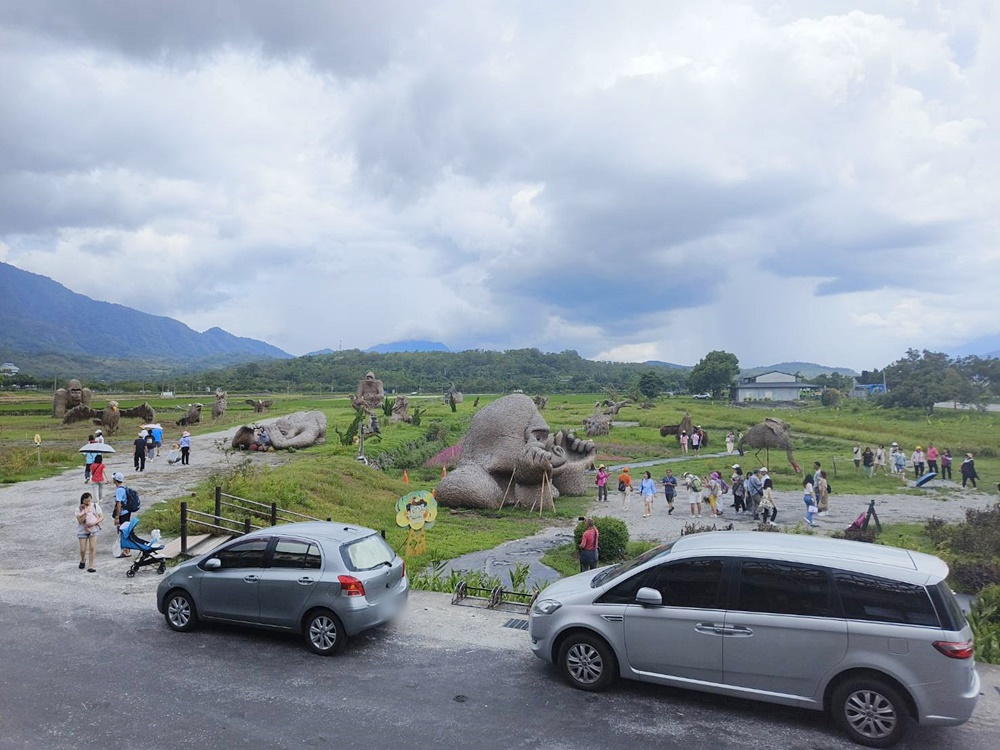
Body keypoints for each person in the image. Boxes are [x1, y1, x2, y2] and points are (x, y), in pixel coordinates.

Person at [75, 492, 103, 572]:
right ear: (82, 501)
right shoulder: (78, 509)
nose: (88, 503)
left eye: (89, 501)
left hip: (94, 529)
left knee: (92, 547)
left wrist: (94, 523)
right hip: (82, 531)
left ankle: (91, 566)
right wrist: (85, 512)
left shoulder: (95, 506)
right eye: (86, 501)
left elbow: (101, 516)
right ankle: (83, 559)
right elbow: (80, 521)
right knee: (83, 549)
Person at [112, 472, 132, 557]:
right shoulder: (124, 488)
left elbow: (119, 504)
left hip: (122, 513)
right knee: (125, 530)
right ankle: (126, 550)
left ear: (115, 480)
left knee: (123, 531)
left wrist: (117, 517)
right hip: (127, 512)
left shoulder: (119, 490)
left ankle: (126, 551)